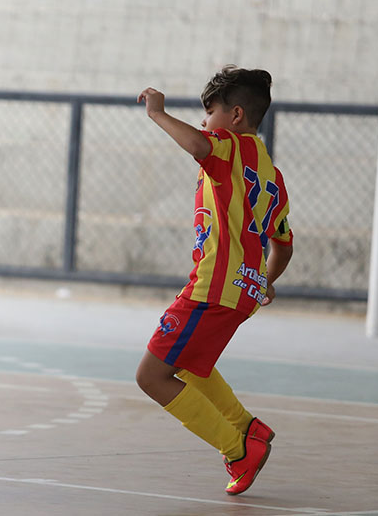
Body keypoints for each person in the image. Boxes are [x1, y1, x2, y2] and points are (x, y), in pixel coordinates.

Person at [135, 66, 294, 495]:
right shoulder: (272, 177)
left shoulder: (229, 146)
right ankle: (248, 428)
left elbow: (198, 143)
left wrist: (157, 113)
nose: (204, 121)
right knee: (190, 365)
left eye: (209, 112)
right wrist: (263, 281)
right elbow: (283, 245)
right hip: (239, 291)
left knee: (151, 376)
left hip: (212, 288)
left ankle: (238, 448)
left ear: (236, 115)